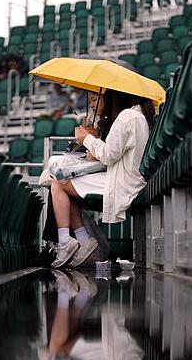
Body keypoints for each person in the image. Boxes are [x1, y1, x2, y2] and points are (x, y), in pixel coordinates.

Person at [49, 90, 155, 268]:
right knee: (68, 186)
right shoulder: (141, 115)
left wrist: (87, 138)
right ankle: (82, 242)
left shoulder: (127, 116)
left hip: (123, 183)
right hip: (131, 180)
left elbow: (108, 155)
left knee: (59, 183)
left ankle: (67, 242)